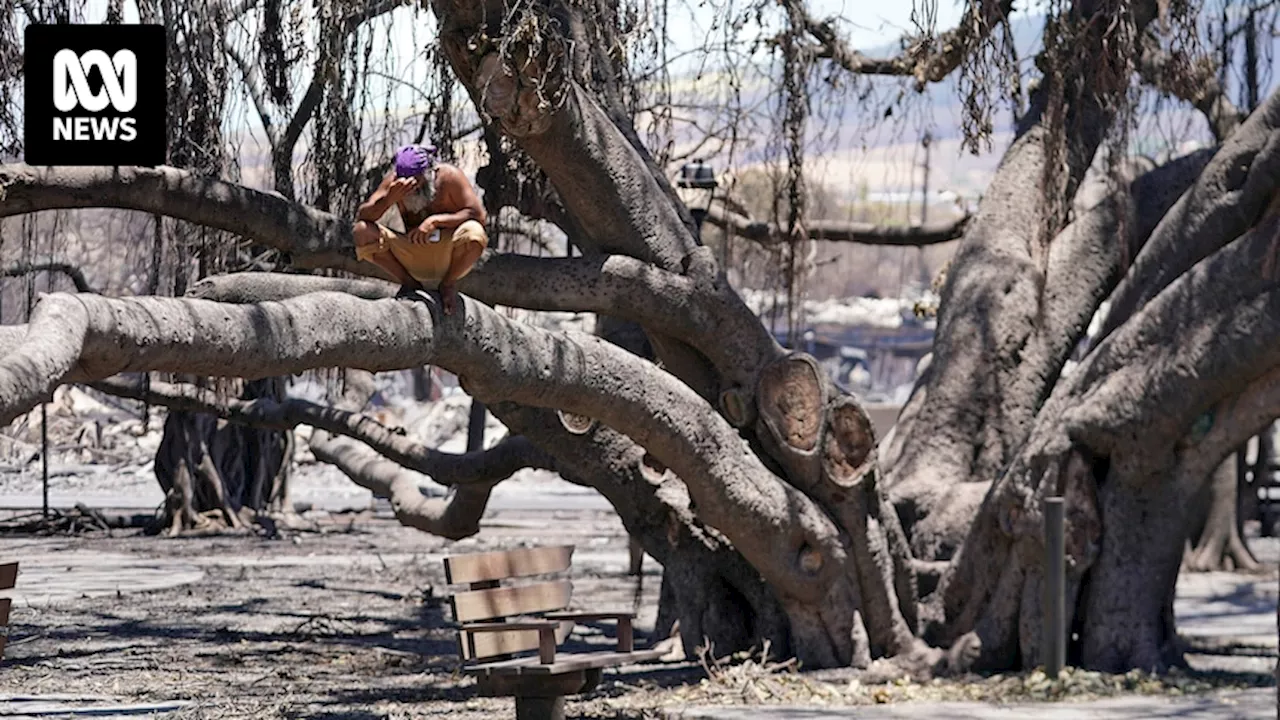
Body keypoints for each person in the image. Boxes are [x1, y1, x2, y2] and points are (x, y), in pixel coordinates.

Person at [352, 143, 489, 315]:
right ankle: (409, 283)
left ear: (429, 171)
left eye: (417, 179)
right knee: (362, 231)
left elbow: (478, 215)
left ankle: (448, 283)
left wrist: (436, 221)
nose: (412, 185)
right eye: (407, 180)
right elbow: (363, 216)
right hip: (412, 252)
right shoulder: (395, 183)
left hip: (447, 254)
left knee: (475, 233)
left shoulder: (449, 177)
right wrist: (388, 199)